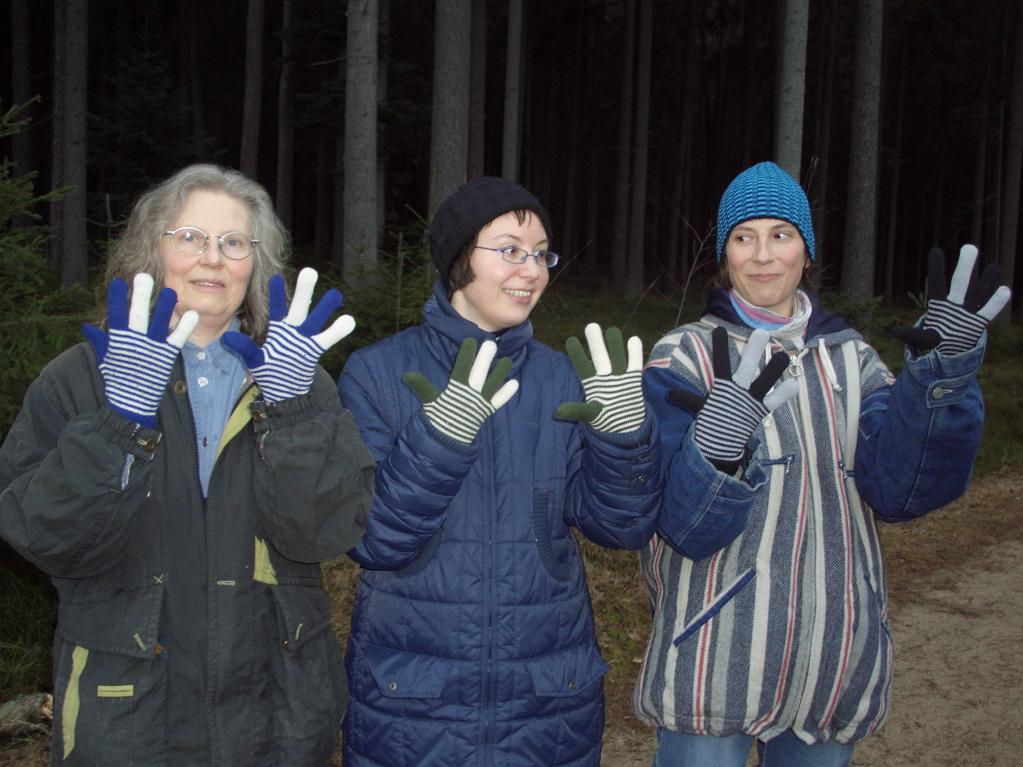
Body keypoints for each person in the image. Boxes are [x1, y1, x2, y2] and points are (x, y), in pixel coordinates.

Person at [633, 161, 1010, 766]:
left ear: (806, 253)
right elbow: (681, 524)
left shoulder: (852, 359)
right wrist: (720, 449)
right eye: (743, 236)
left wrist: (941, 380)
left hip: (831, 652)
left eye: (781, 235)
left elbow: (904, 491)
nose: (763, 255)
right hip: (715, 652)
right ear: (723, 253)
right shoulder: (682, 356)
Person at [0, 164, 376, 765]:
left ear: (256, 264)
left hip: (273, 713)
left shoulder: (296, 382)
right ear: (152, 248)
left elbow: (325, 532)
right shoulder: (81, 378)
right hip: (128, 716)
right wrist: (119, 421)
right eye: (190, 237)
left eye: (234, 243)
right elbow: (45, 535)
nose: (213, 258)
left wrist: (291, 410)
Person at [337, 176, 664, 766]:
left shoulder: (561, 378)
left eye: (541, 254)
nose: (532, 270)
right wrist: (441, 436)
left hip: (545, 694)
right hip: (414, 695)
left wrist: (623, 439)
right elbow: (374, 539)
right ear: (460, 257)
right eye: (510, 249)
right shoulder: (376, 374)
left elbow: (621, 528)